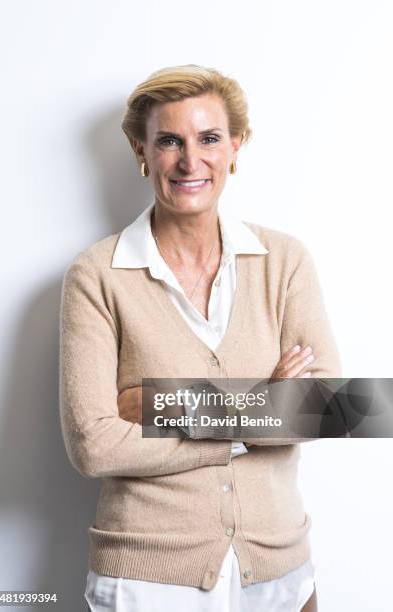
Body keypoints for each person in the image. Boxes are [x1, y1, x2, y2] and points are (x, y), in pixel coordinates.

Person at [59, 64, 341, 612]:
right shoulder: (95, 275)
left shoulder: (284, 261)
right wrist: (263, 402)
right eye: (169, 141)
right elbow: (93, 446)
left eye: (209, 138)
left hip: (279, 569)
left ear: (235, 147)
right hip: (147, 575)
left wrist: (162, 404)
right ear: (142, 153)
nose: (191, 161)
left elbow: (333, 406)